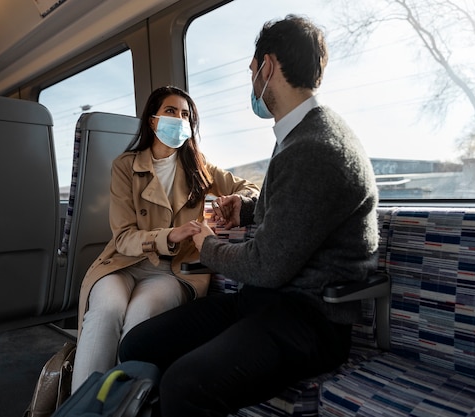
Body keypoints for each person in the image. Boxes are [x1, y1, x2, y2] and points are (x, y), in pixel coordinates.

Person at [118, 15, 379, 416]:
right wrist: (246, 209)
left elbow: (266, 265)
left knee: (184, 386)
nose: (252, 81)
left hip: (307, 320)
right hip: (266, 302)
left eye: (252, 71)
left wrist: (206, 244)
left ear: (267, 67)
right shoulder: (299, 134)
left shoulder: (316, 146)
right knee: (138, 344)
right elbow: (296, 208)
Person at [70, 86, 259, 392]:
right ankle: (84, 407)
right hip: (125, 263)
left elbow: (251, 188)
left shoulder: (200, 167)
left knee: (141, 318)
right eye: (171, 111)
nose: (179, 119)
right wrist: (169, 234)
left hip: (174, 269)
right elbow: (123, 237)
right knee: (105, 312)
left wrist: (234, 199)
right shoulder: (125, 166)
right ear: (153, 120)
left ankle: (122, 405)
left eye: (186, 114)